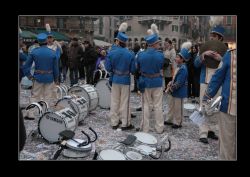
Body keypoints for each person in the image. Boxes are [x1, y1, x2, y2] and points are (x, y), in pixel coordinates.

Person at [202, 48, 236, 160]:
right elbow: (217, 78)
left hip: (230, 106)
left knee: (227, 143)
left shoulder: (231, 55)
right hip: (229, 106)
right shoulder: (230, 55)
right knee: (227, 143)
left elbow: (217, 78)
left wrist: (206, 98)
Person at [194, 24, 225, 144]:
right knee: (203, 106)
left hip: (218, 83)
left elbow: (229, 66)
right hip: (204, 81)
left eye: (215, 36)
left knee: (215, 107)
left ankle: (211, 130)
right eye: (211, 35)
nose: (212, 38)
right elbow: (196, 64)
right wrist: (203, 55)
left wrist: (220, 59)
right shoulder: (204, 48)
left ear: (220, 38)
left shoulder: (225, 51)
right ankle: (203, 133)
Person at [105, 22, 135, 130]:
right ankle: (125, 123)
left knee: (114, 101)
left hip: (115, 79)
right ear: (125, 43)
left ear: (117, 41)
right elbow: (133, 70)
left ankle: (114, 122)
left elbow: (108, 68)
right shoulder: (130, 54)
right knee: (125, 102)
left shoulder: (111, 52)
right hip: (125, 80)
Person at [22, 33, 59, 119]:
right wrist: (56, 78)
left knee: (35, 96)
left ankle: (31, 113)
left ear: (38, 42)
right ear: (46, 41)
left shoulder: (34, 52)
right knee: (47, 96)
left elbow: (26, 66)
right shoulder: (52, 53)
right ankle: (45, 113)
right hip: (49, 77)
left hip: (37, 77)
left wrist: (29, 76)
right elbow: (56, 68)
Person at [136, 24, 164, 134]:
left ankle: (145, 128)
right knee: (158, 106)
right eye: (157, 43)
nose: (159, 45)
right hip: (157, 82)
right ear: (153, 44)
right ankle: (159, 127)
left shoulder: (141, 55)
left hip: (145, 82)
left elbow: (137, 67)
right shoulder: (160, 55)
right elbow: (161, 66)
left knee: (146, 105)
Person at [164, 42, 190, 129]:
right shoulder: (179, 66)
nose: (176, 58)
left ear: (182, 59)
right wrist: (171, 83)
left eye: (178, 57)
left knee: (178, 108)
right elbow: (175, 78)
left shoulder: (183, 69)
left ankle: (178, 122)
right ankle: (170, 119)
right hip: (174, 90)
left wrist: (171, 88)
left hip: (179, 91)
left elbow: (179, 82)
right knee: (171, 105)